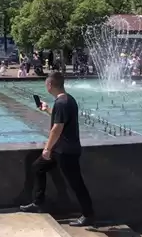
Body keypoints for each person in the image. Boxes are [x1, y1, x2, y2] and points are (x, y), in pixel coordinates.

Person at [21, 72, 94, 227]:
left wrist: (47, 148)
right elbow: (61, 119)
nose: (45, 86)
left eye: (46, 84)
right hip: (61, 149)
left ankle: (88, 215)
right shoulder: (67, 100)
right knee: (37, 168)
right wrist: (48, 109)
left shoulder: (61, 103)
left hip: (66, 151)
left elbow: (57, 128)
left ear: (50, 85)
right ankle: (38, 202)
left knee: (76, 183)